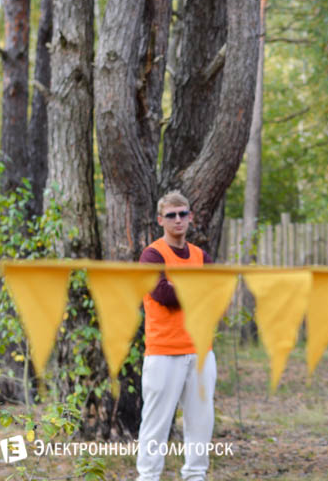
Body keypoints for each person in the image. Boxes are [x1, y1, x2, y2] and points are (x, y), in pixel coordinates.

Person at [136, 191, 216, 481]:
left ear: (191, 216)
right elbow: (162, 294)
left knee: (201, 422)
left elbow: (214, 293)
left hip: (200, 352)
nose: (178, 219)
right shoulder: (152, 254)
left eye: (183, 213)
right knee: (155, 423)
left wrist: (178, 283)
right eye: (171, 215)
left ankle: (195, 476)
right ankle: (148, 477)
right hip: (163, 353)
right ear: (161, 220)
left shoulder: (200, 255)